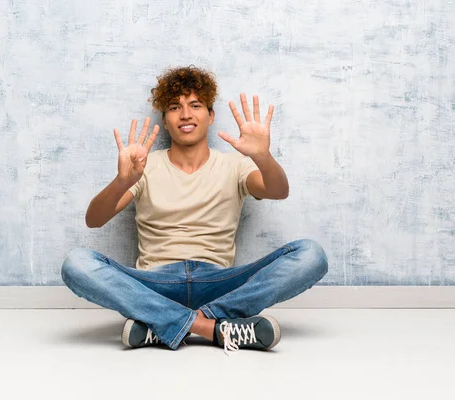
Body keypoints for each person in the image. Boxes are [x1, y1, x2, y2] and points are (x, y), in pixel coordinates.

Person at [61, 65, 328, 353]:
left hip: (219, 282)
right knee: (76, 263)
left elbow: (278, 191)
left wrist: (263, 157)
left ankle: (163, 324)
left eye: (195, 105)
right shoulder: (143, 166)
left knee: (311, 254)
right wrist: (121, 181)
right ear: (165, 120)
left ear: (210, 116)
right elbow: (94, 219)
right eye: (175, 107)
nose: (185, 114)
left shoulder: (234, 165)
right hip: (155, 282)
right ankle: (210, 327)